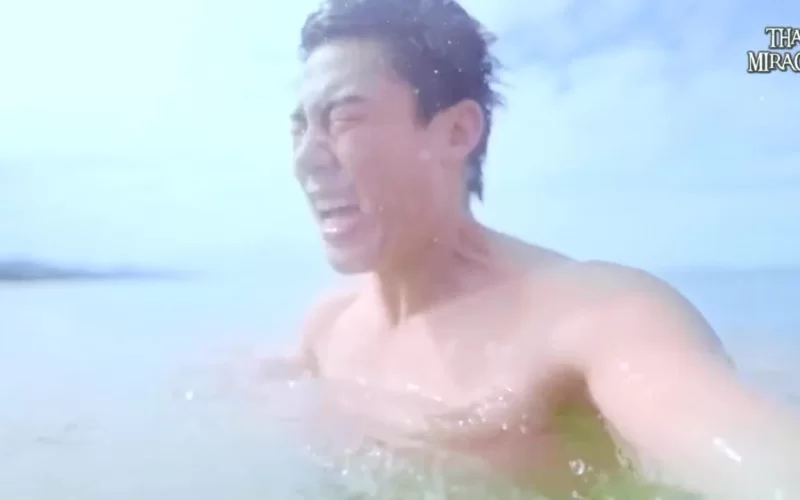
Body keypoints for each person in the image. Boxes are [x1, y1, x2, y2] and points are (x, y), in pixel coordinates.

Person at [276, 0, 800, 497]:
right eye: (299, 128)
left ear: (456, 131)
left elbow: (736, 440)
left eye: (343, 119)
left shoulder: (593, 317)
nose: (305, 160)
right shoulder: (327, 328)